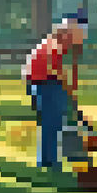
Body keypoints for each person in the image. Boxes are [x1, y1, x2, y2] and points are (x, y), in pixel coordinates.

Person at [23, 14, 85, 175]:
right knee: (51, 122)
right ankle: (48, 161)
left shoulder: (59, 44)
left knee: (55, 122)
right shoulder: (54, 44)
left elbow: (68, 66)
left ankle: (48, 160)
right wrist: (67, 86)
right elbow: (54, 69)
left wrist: (71, 88)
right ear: (65, 33)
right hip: (43, 82)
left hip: (45, 81)